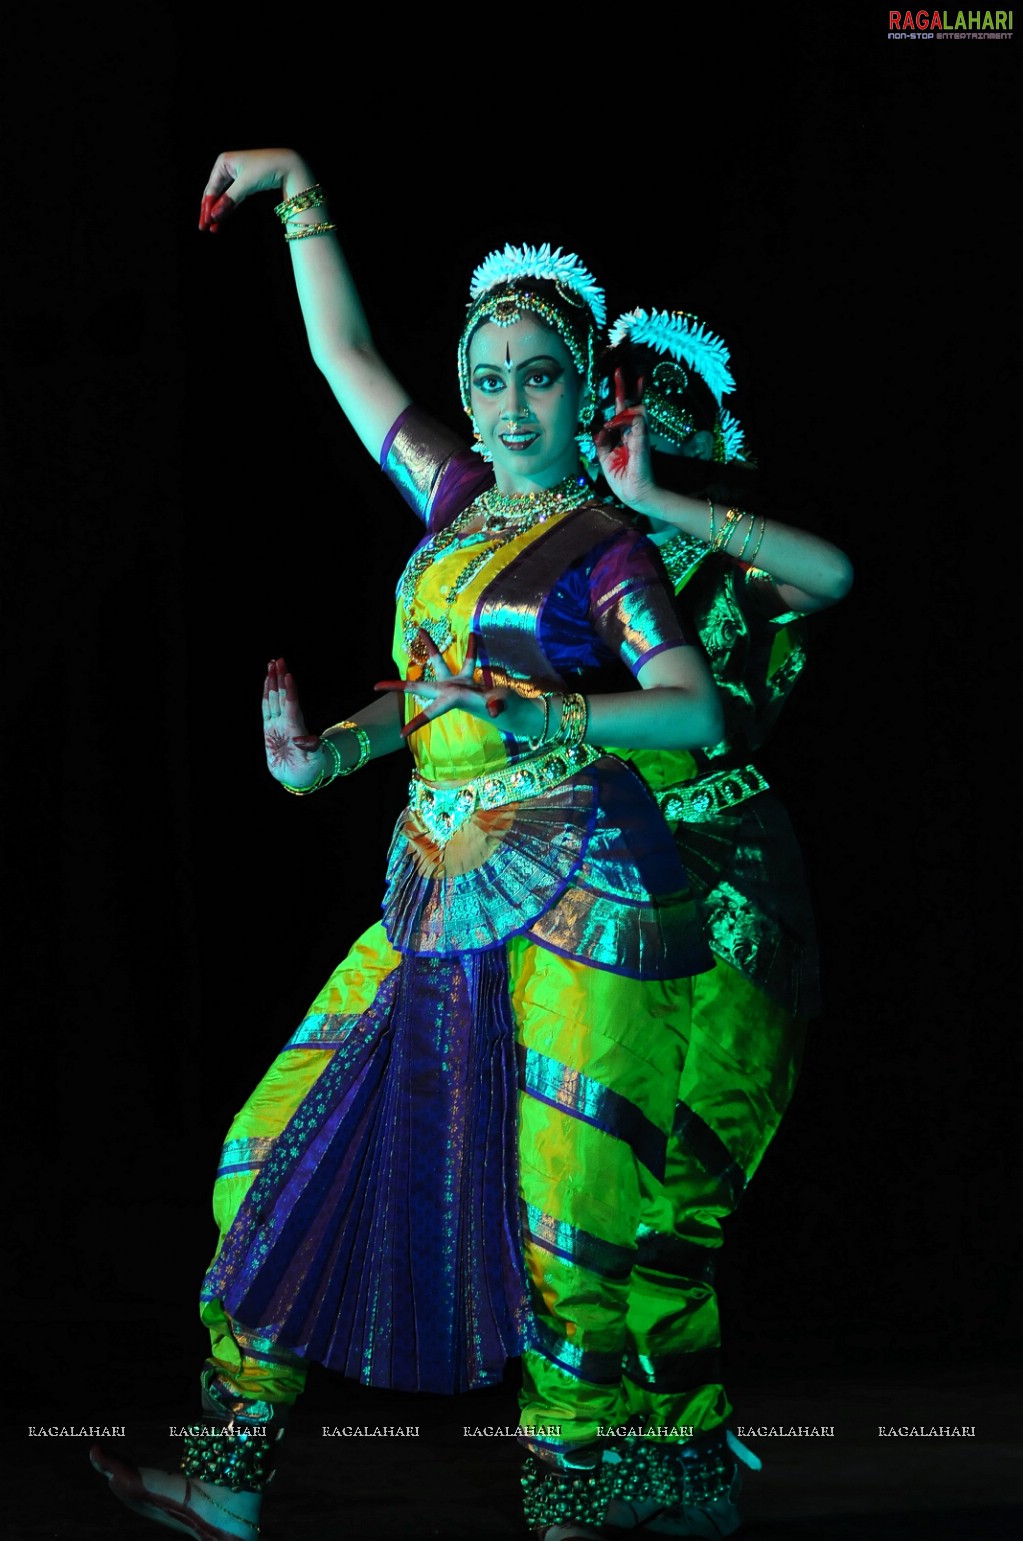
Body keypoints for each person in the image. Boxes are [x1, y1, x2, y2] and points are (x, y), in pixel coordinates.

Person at [90, 149, 739, 1541]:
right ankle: (225, 1483)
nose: (511, 405)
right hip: (438, 894)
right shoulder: (455, 505)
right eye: (489, 379)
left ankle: (586, 1513)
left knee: (576, 1232)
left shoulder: (606, 549)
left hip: (590, 897)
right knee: (268, 1158)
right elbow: (340, 354)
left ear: (587, 392)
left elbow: (691, 708)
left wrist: (535, 701)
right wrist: (329, 751)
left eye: (542, 377)